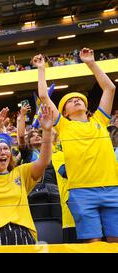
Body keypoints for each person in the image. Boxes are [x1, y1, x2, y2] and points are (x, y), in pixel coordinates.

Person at [33, 48, 118, 243]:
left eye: (79, 98)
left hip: (112, 188)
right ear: (64, 112)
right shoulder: (63, 126)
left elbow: (110, 88)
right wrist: (41, 69)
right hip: (81, 191)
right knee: (92, 243)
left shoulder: (100, 120)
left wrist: (90, 62)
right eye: (70, 101)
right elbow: (44, 96)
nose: (76, 100)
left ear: (86, 106)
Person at [0, 106, 53, 245]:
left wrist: (47, 131)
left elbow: (44, 161)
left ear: (10, 154)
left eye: (6, 148)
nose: (2, 152)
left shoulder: (21, 172)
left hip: (23, 233)